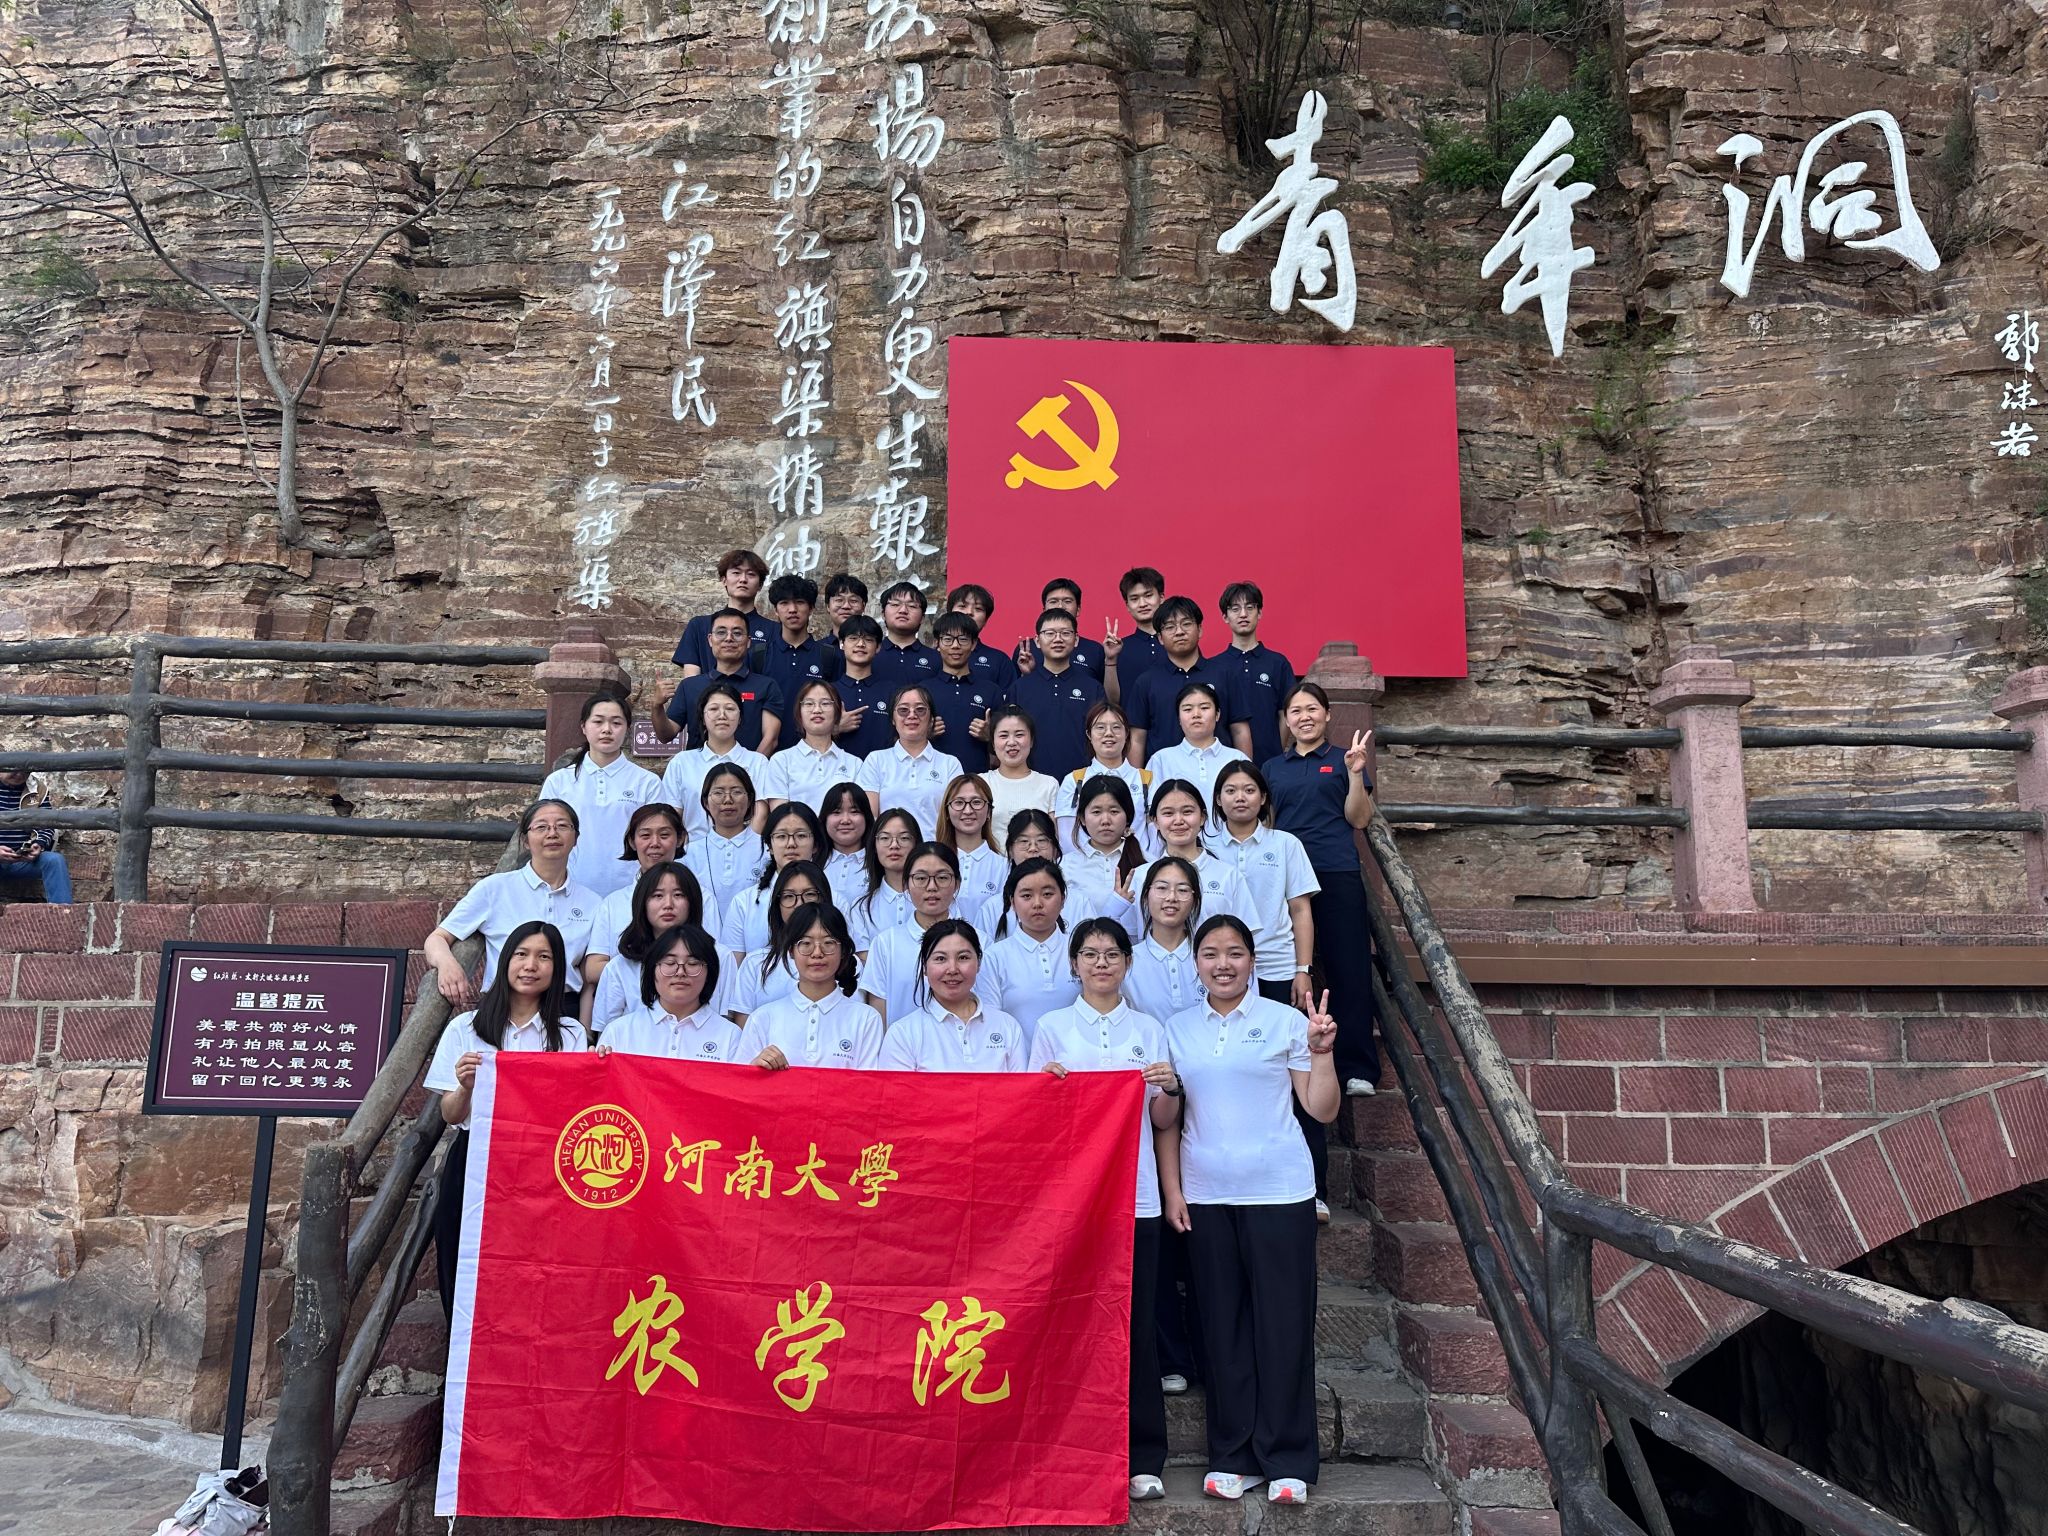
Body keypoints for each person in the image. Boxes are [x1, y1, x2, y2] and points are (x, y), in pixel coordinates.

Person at [1160, 916, 1340, 1505]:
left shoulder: (1285, 1021)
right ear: (1196, 964)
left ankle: (1287, 1458)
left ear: (1253, 961)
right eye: (1211, 953)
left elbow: (1321, 1109)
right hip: (1206, 1194)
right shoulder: (1177, 1029)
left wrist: (1321, 1054)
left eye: (1235, 953)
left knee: (1283, 1326)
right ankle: (1233, 1455)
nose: (1223, 964)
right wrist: (1173, 1190)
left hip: (1279, 1191)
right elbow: (1168, 1120)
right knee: (1221, 1329)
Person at [1030, 919, 1179, 1502]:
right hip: (1070, 1201)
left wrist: (1169, 1089)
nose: (1100, 963)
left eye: (1111, 954)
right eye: (1089, 954)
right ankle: (1062, 1451)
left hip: (1135, 1196)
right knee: (1068, 1324)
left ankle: (1142, 1456)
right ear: (1073, 964)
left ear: (1127, 963)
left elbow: (1162, 1121)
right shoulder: (1051, 1028)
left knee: (1134, 1327)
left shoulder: (1148, 1029)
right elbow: (1035, 1119)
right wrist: (1048, 1087)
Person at [425, 919, 585, 1316]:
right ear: (505, 961)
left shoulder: (570, 1035)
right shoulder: (466, 1028)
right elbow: (450, 1114)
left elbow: (572, 1108)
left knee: (532, 1263)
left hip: (542, 1163)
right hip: (476, 1156)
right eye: (521, 954)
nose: (531, 966)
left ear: (557, 969)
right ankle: (462, 1349)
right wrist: (466, 1087)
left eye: (544, 957)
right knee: (462, 1254)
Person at [1208, 760, 1328, 1217]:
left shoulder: (1285, 844)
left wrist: (1303, 968)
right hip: (1222, 972)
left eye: (1248, 790)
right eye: (1230, 790)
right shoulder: (1205, 845)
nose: (1240, 797)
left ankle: (1314, 1188)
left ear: (1262, 798)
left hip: (1278, 969)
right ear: (1218, 800)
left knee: (1297, 1070)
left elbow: (1300, 910)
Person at [1265, 683, 1379, 1098]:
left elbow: (1359, 819)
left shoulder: (1344, 759)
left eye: (1312, 709)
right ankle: (1286, 1062)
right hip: (1285, 880)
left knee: (1349, 968)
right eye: (1295, 711)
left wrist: (1355, 773)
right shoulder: (1272, 767)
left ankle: (1357, 1068)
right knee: (1288, 969)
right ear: (1286, 719)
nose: (1304, 717)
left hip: (1335, 871)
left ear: (1327, 714)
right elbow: (1268, 823)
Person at [425, 800, 601, 1018]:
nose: (552, 833)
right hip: (504, 1008)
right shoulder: (495, 888)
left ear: (576, 838)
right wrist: (447, 964)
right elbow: (438, 938)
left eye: (562, 826)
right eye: (541, 827)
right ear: (525, 840)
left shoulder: (593, 903)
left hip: (563, 1010)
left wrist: (584, 1029)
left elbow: (587, 977)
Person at [540, 692, 663, 897]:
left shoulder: (647, 782)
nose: (607, 729)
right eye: (598, 722)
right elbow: (543, 837)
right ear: (583, 727)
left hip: (632, 891)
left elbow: (657, 840)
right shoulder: (559, 782)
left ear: (627, 729)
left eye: (616, 723)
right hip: (570, 889)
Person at [589, 861, 734, 1032]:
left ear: (693, 901)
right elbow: (606, 1034)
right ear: (642, 903)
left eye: (678, 895)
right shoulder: (619, 967)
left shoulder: (720, 957)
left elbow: (727, 1024)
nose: (668, 904)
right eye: (658, 896)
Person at [739, 903, 884, 1069]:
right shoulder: (762, 1018)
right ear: (791, 951)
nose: (817, 953)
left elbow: (868, 1082)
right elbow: (738, 1080)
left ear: (843, 950)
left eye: (828, 943)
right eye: (806, 943)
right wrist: (756, 1067)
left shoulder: (866, 1019)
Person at [876, 919, 1029, 1071]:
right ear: (924, 966)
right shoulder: (903, 1034)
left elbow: (1020, 1086)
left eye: (963, 957)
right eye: (940, 959)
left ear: (978, 962)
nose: (952, 969)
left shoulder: (1008, 1026)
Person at [1126, 598, 1253, 766]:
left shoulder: (1224, 674)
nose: (1179, 632)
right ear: (1160, 638)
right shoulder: (1146, 682)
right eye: (1170, 627)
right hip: (1165, 774)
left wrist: (1245, 773)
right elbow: (1137, 738)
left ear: (1200, 630)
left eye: (1186, 624)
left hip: (1219, 773)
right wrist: (1137, 780)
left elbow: (1239, 730)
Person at [858, 842, 973, 1024]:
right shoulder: (886, 944)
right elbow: (879, 1013)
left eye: (942, 878)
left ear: (957, 884)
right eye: (921, 878)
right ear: (906, 884)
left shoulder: (979, 942)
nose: (932, 887)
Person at [597, 922, 744, 1061]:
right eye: (670, 963)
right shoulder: (619, 1032)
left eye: (692, 963)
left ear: (709, 973)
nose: (680, 972)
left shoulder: (730, 1036)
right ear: (652, 970)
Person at [658, 609, 785, 752]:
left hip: (749, 765)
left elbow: (770, 739)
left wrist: (750, 765)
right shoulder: (690, 686)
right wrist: (657, 706)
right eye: (721, 632)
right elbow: (666, 735)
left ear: (749, 642)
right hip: (699, 765)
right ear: (710, 640)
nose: (729, 638)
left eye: (737, 633)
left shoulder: (766, 686)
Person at [981, 857, 1080, 1039]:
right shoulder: (994, 957)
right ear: (1012, 902)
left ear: (1063, 899)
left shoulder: (1081, 951)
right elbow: (991, 1023)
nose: (1037, 903)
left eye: (1047, 894)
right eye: (1026, 896)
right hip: (1018, 1057)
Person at [1138, 780, 1256, 932]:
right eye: (1168, 813)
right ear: (1155, 821)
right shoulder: (1140, 876)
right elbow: (1131, 935)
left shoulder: (1228, 875)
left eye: (1187, 812)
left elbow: (1246, 934)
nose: (1178, 821)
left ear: (1202, 817)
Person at [660, 680, 770, 839]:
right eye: (713, 709)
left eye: (730, 709)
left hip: (745, 849)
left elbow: (761, 813)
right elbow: (672, 815)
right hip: (692, 850)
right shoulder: (681, 762)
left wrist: (745, 846)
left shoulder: (758, 762)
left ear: (740, 717)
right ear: (702, 718)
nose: (722, 715)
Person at [1007, 606, 1105, 780]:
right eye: (1050, 633)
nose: (1058, 639)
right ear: (1038, 641)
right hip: (1031, 781)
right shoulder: (1019, 688)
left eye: (1065, 633)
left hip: (1082, 781)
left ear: (1076, 640)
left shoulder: (1093, 688)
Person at [855, 684, 962, 836]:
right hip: (890, 847)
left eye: (920, 709)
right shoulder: (876, 760)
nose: (912, 715)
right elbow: (869, 816)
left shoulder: (950, 764)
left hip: (935, 848)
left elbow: (956, 819)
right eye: (903, 710)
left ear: (931, 719)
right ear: (893, 719)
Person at [728, 860, 830, 1019]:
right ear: (778, 904)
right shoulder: (755, 964)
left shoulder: (844, 962)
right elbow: (745, 1030)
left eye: (809, 894)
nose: (799, 904)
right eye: (789, 896)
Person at [720, 801, 822, 957]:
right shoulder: (744, 903)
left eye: (801, 835)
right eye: (781, 836)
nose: (791, 844)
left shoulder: (835, 899)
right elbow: (733, 965)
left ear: (815, 845)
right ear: (769, 846)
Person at [1053, 701, 1155, 855]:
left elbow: (1155, 833)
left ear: (1127, 733)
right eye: (1100, 727)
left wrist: (1145, 863)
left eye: (1116, 727)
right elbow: (1067, 836)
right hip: (1086, 865)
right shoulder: (1074, 780)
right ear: (1089, 734)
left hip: (1138, 864)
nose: (1108, 733)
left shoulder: (1146, 779)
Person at [589, 802, 686, 954]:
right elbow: (595, 964)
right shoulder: (612, 904)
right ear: (632, 842)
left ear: (680, 839)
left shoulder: (702, 898)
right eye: (645, 835)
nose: (655, 843)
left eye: (664, 835)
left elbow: (711, 956)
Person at [1143, 683, 1249, 816]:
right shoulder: (1160, 760)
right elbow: (1152, 813)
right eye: (1187, 709)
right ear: (1179, 718)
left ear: (1217, 714)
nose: (1196, 714)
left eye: (1204, 708)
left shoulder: (1237, 758)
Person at [1219, 582, 1295, 767]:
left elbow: (1285, 713)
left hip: (1270, 763)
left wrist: (1276, 753)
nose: (1243, 614)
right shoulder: (1214, 666)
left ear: (1259, 613)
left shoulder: (1278, 663)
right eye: (1235, 609)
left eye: (1250, 607)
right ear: (1225, 617)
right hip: (1223, 764)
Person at [681, 763, 767, 921]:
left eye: (736, 792)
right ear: (706, 802)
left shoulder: (767, 850)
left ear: (750, 800)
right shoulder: (688, 854)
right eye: (718, 793)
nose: (728, 800)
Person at [761, 680, 862, 812]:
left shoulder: (855, 764)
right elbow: (780, 815)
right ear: (799, 714)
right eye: (809, 704)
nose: (817, 710)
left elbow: (857, 813)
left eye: (825, 703)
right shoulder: (781, 761)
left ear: (837, 713)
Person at [672, 549, 774, 678]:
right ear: (724, 580)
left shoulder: (774, 630)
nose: (743, 579)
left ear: (760, 585)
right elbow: (691, 681)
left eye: (751, 574)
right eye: (736, 573)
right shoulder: (699, 626)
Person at [928, 611, 1001, 774]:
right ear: (937, 643)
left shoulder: (991, 690)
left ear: (973, 644)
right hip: (932, 779)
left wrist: (990, 736)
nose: (955, 646)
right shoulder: (923, 690)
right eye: (948, 639)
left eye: (963, 639)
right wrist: (924, 734)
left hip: (978, 779)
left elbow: (1007, 743)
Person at [979, 705, 1057, 848]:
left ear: (1031, 740)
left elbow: (1054, 840)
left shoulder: (1049, 784)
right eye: (1003, 736)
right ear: (993, 743)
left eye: (1019, 735)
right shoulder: (981, 783)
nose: (1012, 742)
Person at [1063, 775, 1149, 905]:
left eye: (1114, 811)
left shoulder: (1149, 862)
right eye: (1096, 812)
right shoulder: (1065, 867)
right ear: (1082, 818)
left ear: (1128, 816)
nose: (1105, 821)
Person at [760, 574, 845, 701]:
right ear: (776, 610)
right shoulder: (759, 655)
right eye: (784, 603)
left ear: (811, 608)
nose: (792, 609)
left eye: (799, 602)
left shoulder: (830, 655)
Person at [850, 807, 921, 951]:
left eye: (904, 838)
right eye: (884, 838)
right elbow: (865, 958)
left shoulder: (934, 899)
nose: (894, 845)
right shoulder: (861, 908)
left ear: (916, 844)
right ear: (874, 846)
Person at [934, 773, 1005, 910]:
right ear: (947, 812)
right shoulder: (931, 862)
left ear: (989, 811)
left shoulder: (1003, 868)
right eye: (959, 803)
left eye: (976, 802)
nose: (968, 810)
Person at [0, 766, 71, 903]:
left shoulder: (37, 789)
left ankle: (64, 913)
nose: (20, 774)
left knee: (54, 861)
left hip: (22, 860)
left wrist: (38, 844)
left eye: (25, 771)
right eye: (14, 769)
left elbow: (46, 824)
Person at [831, 615, 897, 758]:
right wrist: (835, 729)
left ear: (878, 647)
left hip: (882, 769)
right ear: (841, 643)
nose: (860, 644)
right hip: (836, 770)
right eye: (853, 638)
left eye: (868, 639)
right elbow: (807, 737)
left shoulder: (892, 692)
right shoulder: (829, 691)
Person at [1022, 577, 1107, 682]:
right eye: (1053, 601)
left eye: (1067, 601)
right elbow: (1016, 689)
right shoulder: (1026, 650)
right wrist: (1027, 674)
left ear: (1078, 609)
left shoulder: (1095, 650)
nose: (1060, 606)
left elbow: (1105, 691)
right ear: (1044, 610)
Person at [944, 582, 1018, 691]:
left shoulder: (999, 661)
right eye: (962, 606)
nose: (969, 612)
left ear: (986, 620)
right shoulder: (933, 657)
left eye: (978, 609)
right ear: (949, 613)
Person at [1109, 566, 1169, 696]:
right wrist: (1110, 660)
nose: (1142, 604)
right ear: (1127, 605)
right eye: (1134, 599)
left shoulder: (1177, 641)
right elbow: (1112, 701)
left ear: (1161, 597)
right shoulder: (1118, 649)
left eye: (1148, 595)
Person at [816, 781, 875, 911]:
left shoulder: (879, 862)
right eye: (837, 812)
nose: (845, 820)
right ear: (825, 818)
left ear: (866, 817)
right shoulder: (812, 860)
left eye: (854, 811)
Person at [873, 581, 942, 686]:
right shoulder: (869, 654)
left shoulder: (937, 658)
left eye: (912, 606)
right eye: (895, 604)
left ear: (922, 618)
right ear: (883, 614)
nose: (903, 610)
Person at [822, 572, 870, 640]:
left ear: (863, 606)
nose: (846, 606)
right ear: (828, 606)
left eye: (853, 601)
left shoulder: (873, 646)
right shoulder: (817, 647)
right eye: (839, 600)